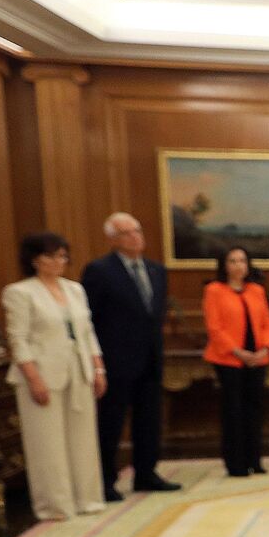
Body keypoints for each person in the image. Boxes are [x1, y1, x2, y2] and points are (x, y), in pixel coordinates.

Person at [3, 232, 106, 519]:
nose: (59, 261)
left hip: (78, 369)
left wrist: (98, 368)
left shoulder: (75, 289)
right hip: (41, 373)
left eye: (62, 256)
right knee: (47, 443)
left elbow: (87, 333)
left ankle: (87, 499)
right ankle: (55, 505)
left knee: (83, 439)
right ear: (35, 260)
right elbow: (18, 339)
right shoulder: (20, 292)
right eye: (51, 256)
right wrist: (34, 379)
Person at [83, 211, 177, 500]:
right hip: (116, 360)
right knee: (111, 422)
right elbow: (90, 319)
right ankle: (105, 480)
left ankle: (146, 473)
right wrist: (98, 362)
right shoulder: (99, 271)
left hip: (150, 358)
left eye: (137, 230)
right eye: (127, 233)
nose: (135, 237)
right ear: (113, 240)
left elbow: (154, 315)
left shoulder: (156, 270)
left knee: (149, 420)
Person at [202, 246, 269, 477]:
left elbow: (267, 323)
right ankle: (236, 462)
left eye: (242, 261)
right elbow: (214, 327)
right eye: (232, 261)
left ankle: (255, 459)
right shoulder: (214, 290)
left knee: (255, 408)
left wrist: (264, 348)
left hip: (258, 358)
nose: (238, 265)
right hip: (228, 359)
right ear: (224, 265)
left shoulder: (256, 290)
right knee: (233, 409)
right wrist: (237, 352)